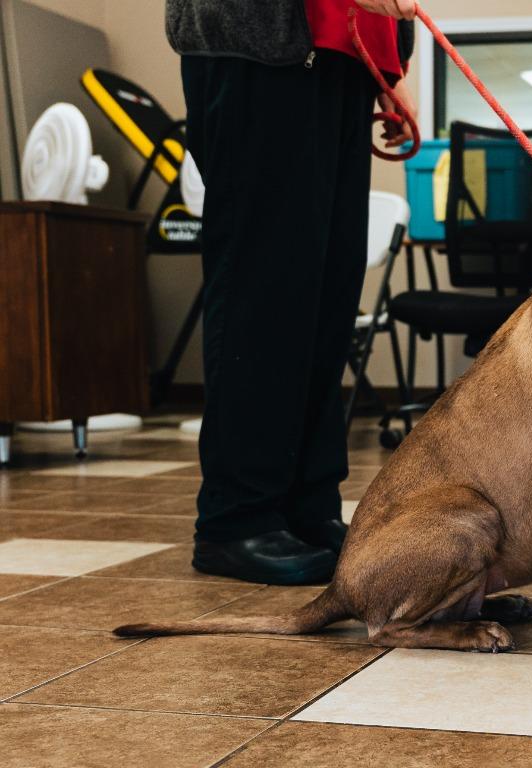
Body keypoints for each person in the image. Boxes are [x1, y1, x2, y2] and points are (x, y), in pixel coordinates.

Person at [166, 0, 417, 584]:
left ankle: (309, 508)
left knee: (327, 299)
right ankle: (236, 519)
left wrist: (388, 70)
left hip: (345, 65)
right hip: (257, 52)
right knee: (266, 294)